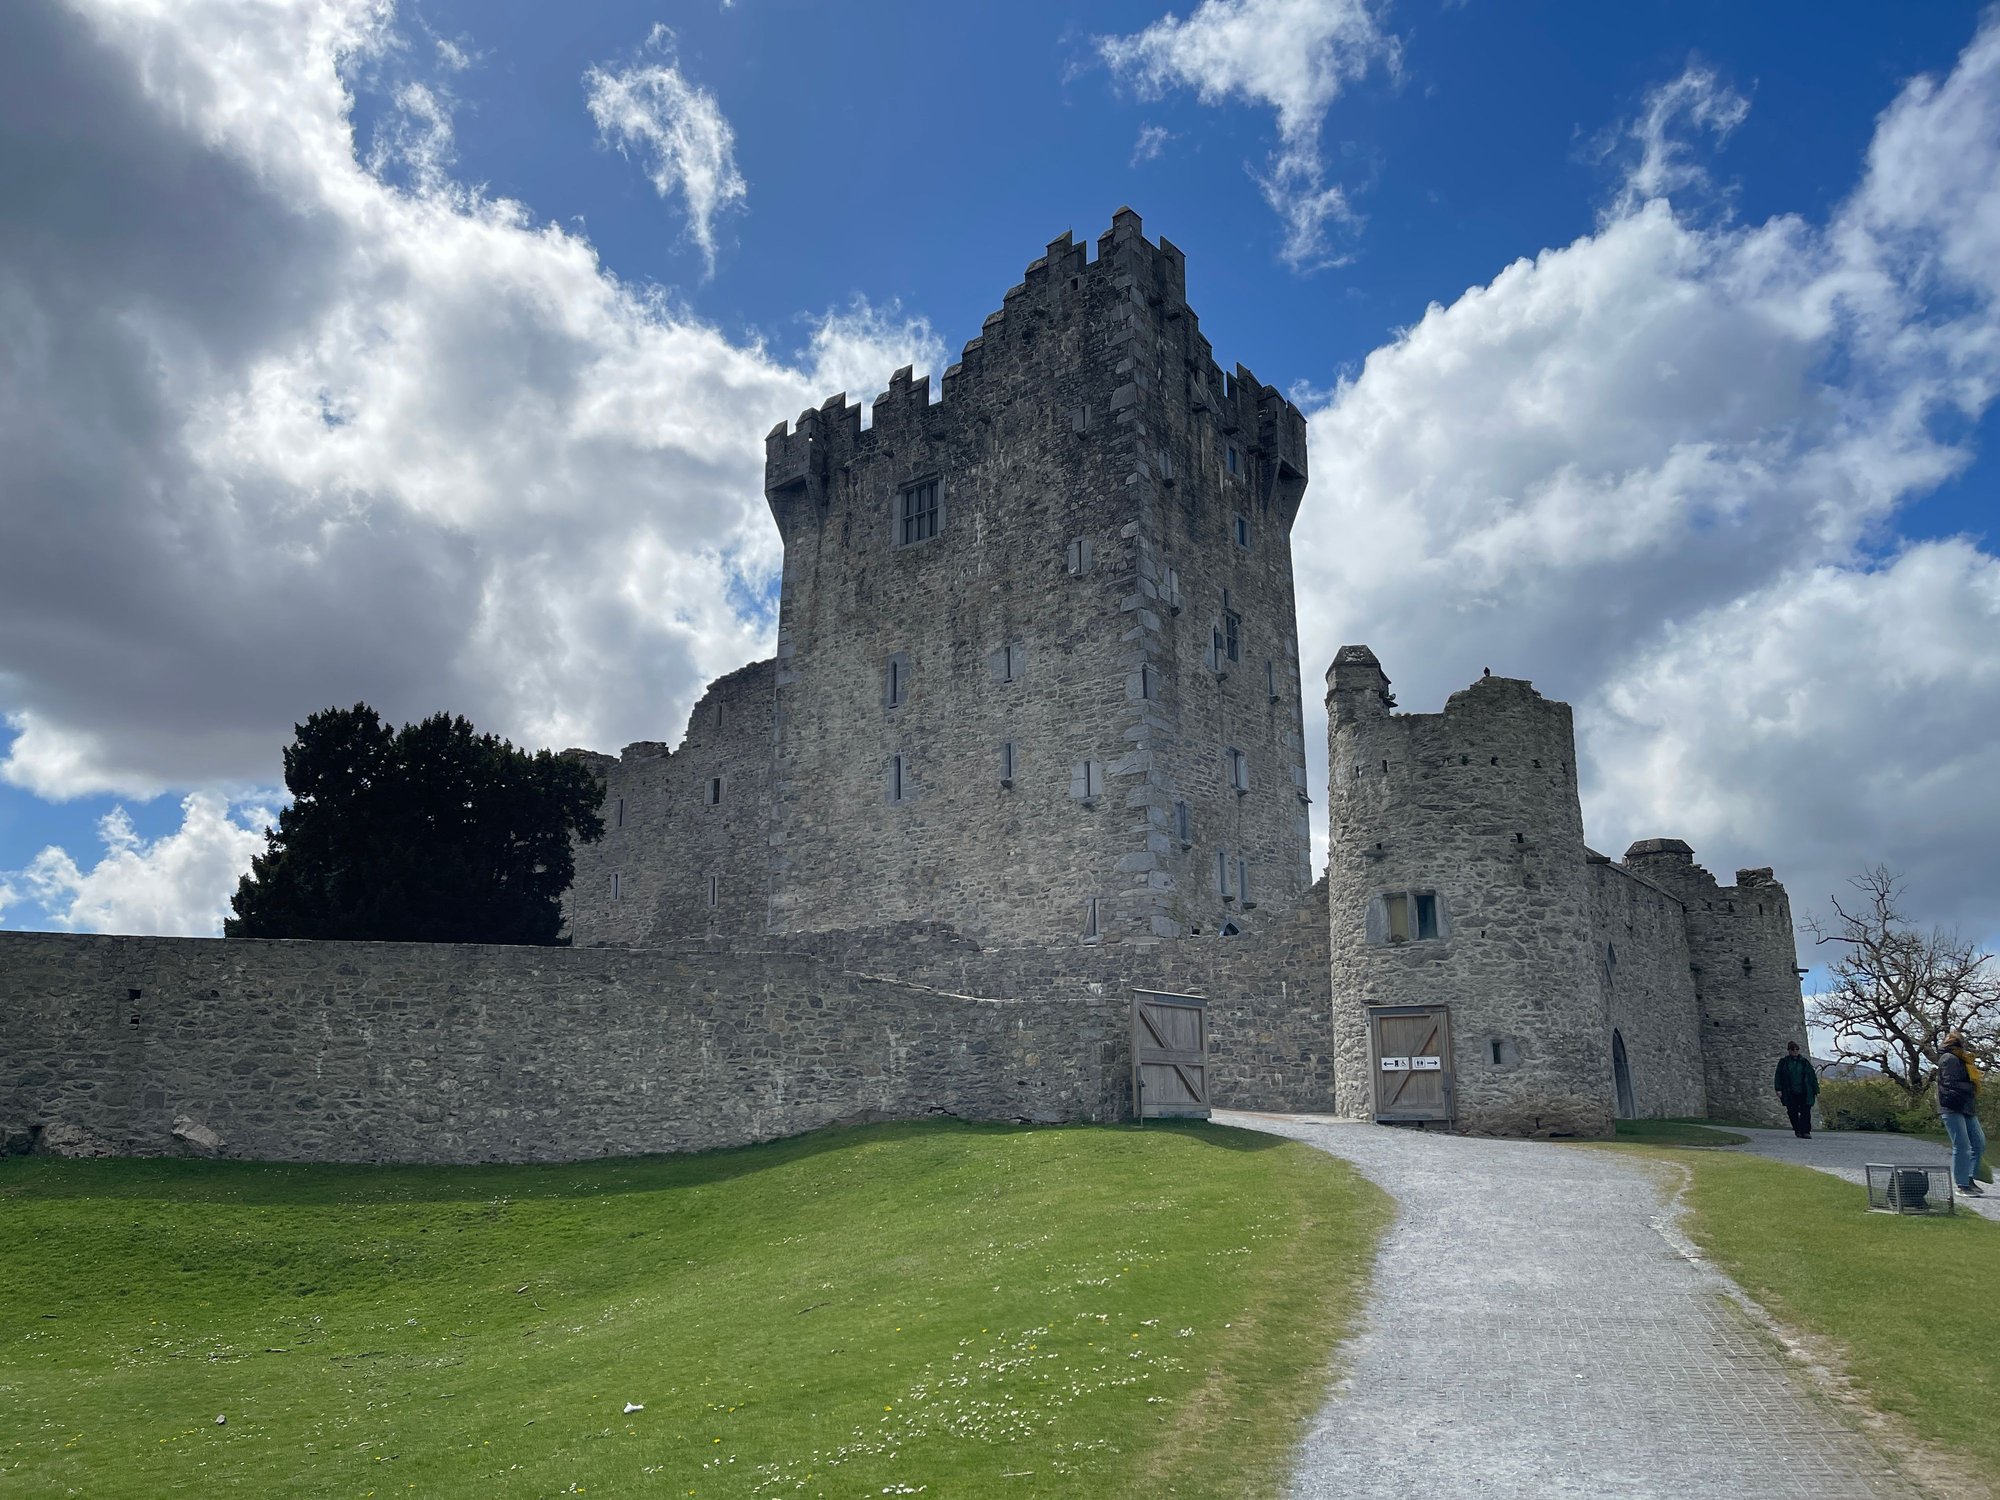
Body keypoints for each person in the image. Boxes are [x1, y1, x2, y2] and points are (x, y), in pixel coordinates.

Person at [1937, 1031, 1987, 1198]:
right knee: (1962, 1145)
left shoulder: (1961, 1059)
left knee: (1979, 1143)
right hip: (1952, 1107)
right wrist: (1971, 1087)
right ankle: (1962, 1184)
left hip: (1966, 1106)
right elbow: (1950, 1083)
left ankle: (1969, 1177)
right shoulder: (1949, 1059)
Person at [1773, 1041, 1819, 1138]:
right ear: (1789, 1050)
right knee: (1792, 1112)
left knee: (1805, 1111)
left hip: (1804, 1091)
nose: (1795, 1051)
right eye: (1793, 1049)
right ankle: (1797, 1130)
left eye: (1796, 1049)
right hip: (1789, 1091)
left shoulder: (1804, 1062)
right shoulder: (1784, 1062)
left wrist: (1816, 1089)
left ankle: (1806, 1131)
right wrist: (1778, 1089)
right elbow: (1778, 1076)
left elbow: (1811, 1076)